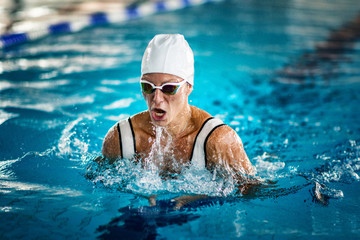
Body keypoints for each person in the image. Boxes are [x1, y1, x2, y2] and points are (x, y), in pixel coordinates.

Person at [101, 34, 254, 190]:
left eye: (168, 88)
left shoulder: (219, 140)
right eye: (148, 87)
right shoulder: (120, 139)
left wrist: (201, 199)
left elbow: (253, 190)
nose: (156, 99)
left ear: (188, 87)